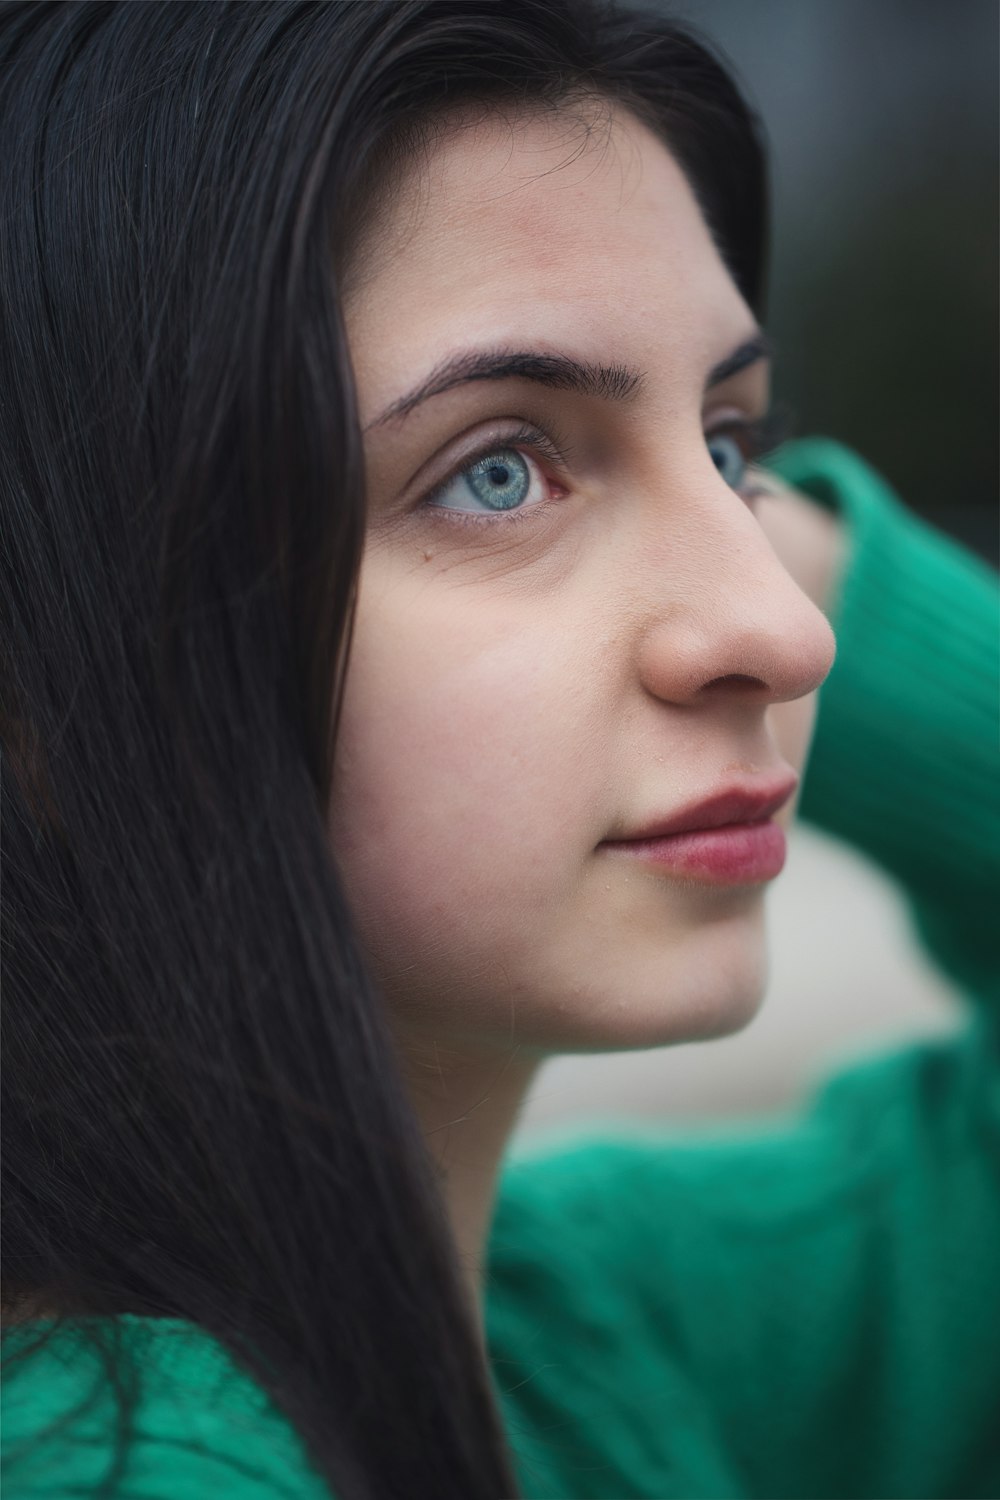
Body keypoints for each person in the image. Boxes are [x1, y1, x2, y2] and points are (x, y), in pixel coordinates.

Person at [1, 3, 997, 1497]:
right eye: (499, 469)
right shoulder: (132, 1466)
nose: (789, 631)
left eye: (733, 446)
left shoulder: (590, 1351)